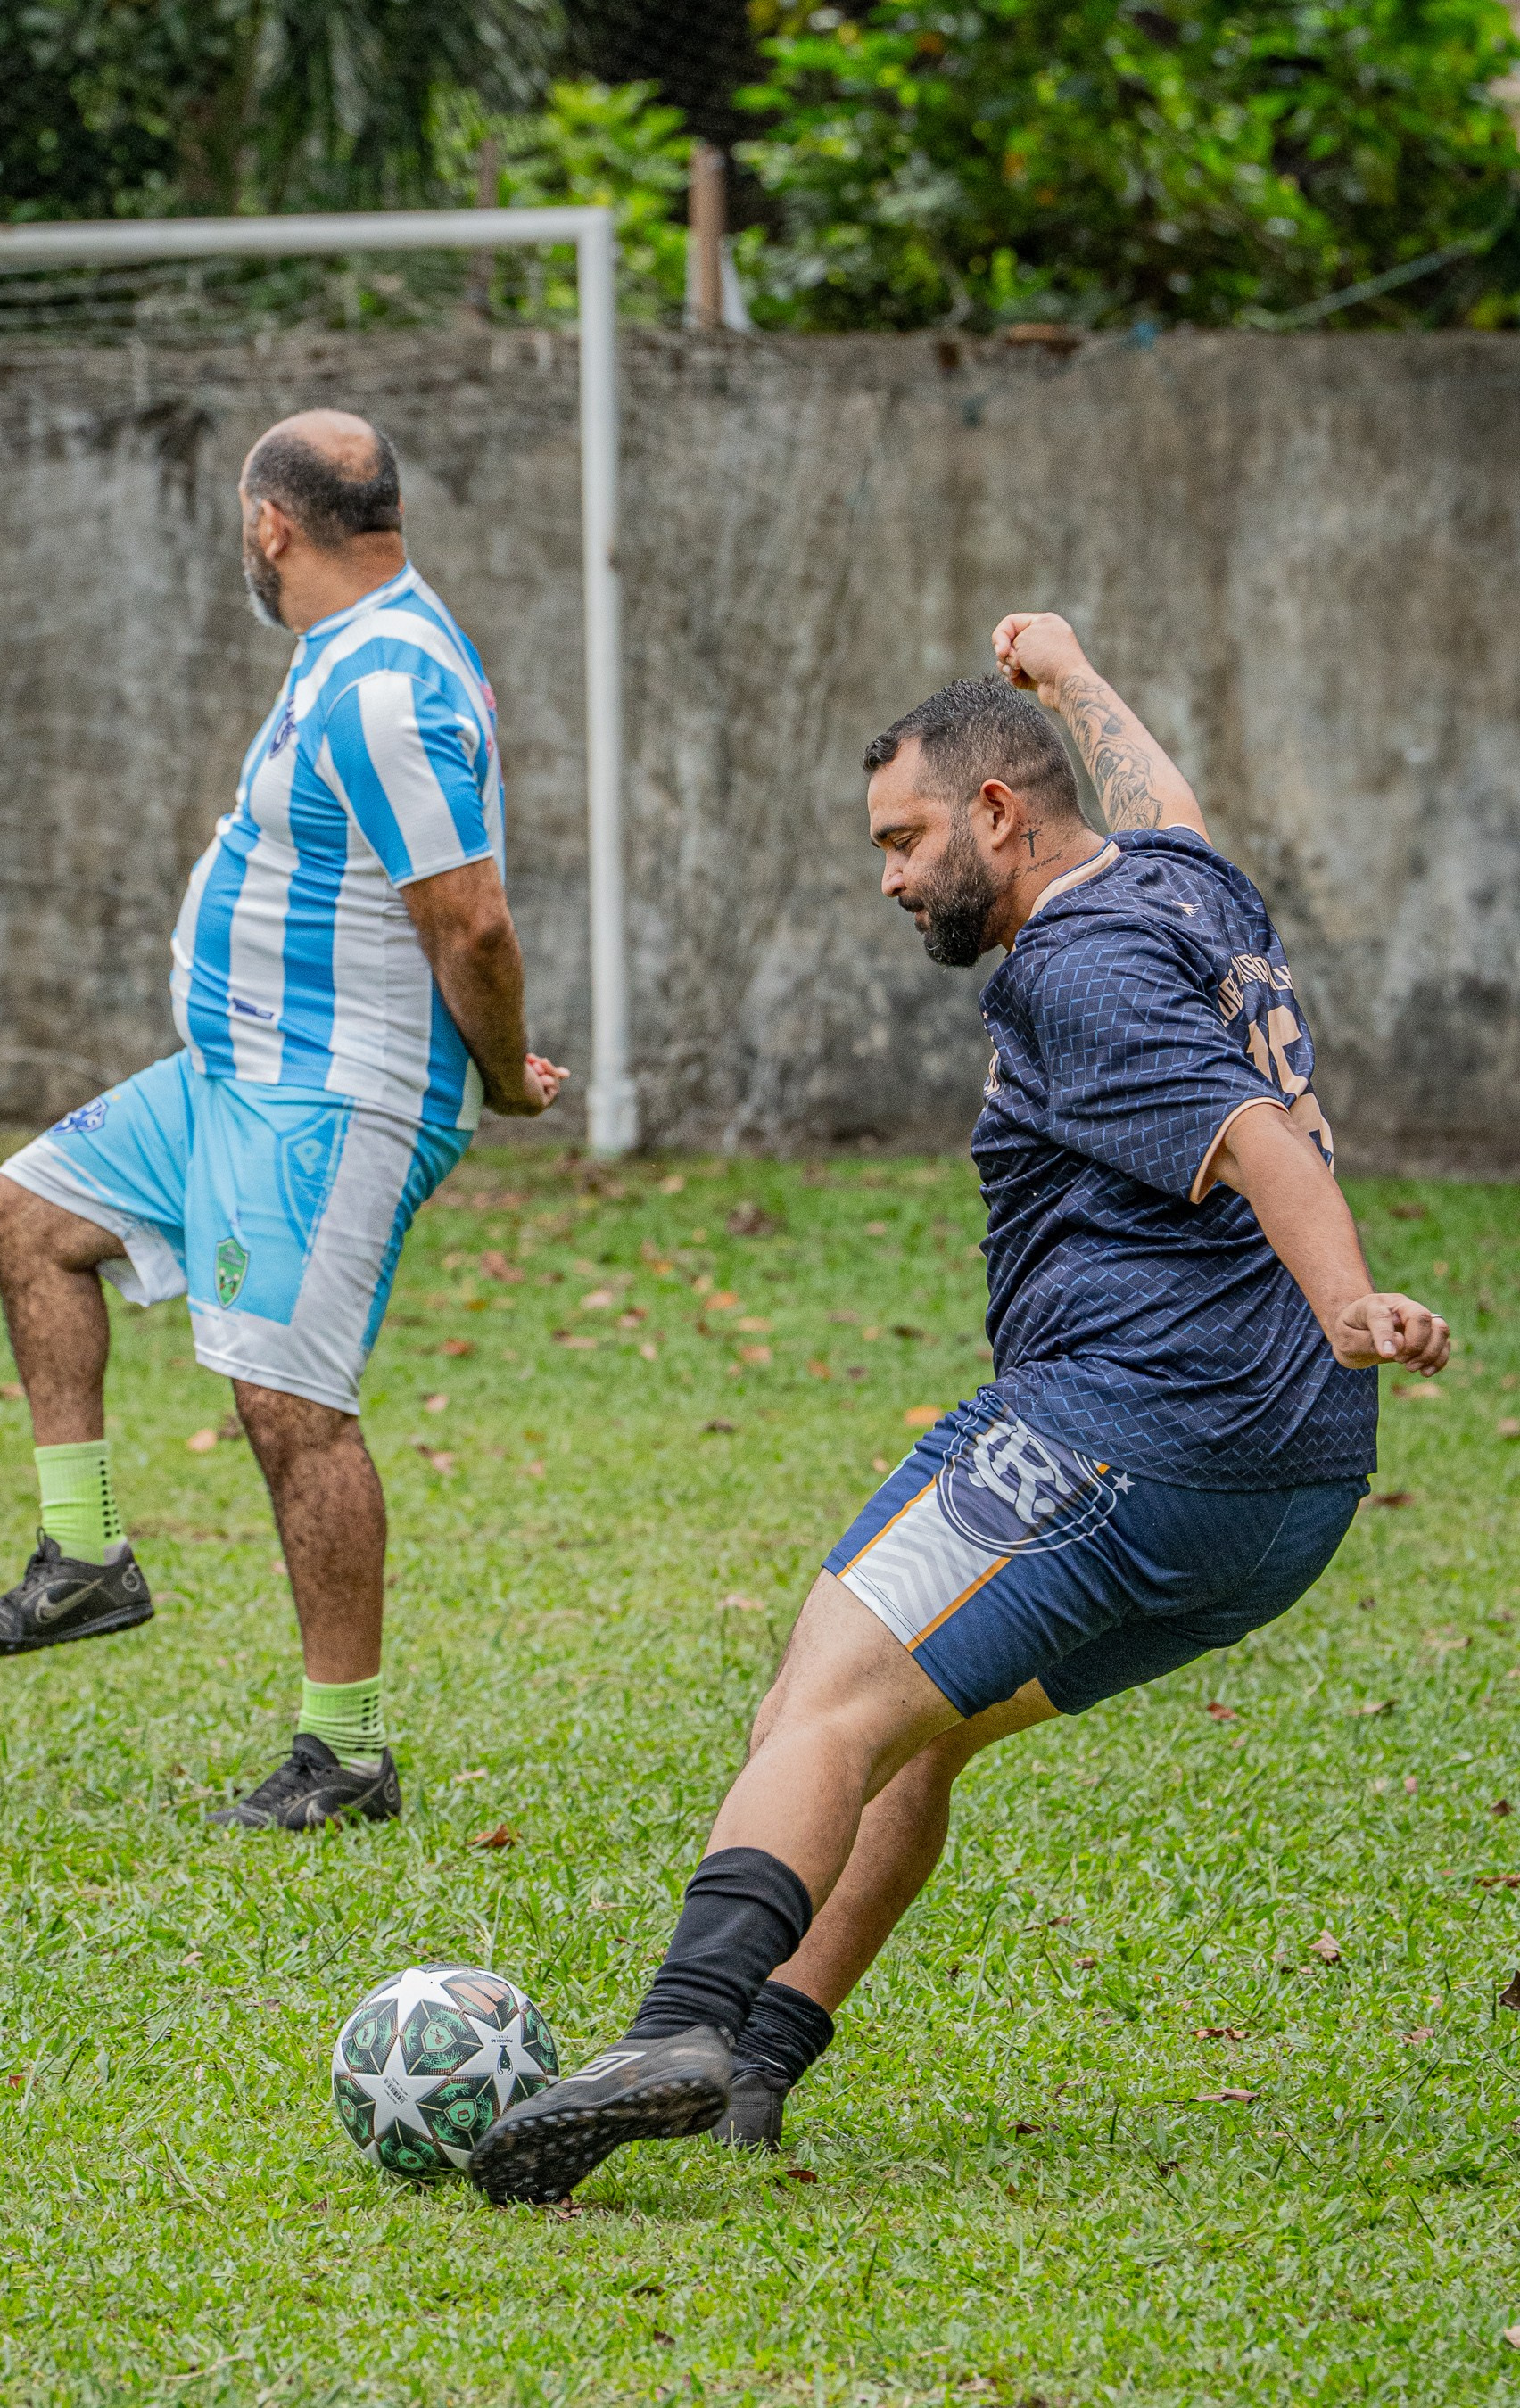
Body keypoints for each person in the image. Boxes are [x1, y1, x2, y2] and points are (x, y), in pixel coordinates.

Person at [469, 608, 1449, 2202]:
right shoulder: (1183, 886)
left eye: (907, 839)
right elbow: (1168, 801)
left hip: (1126, 1432)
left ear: (999, 813)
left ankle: (677, 2030)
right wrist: (1063, 676)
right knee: (914, 1746)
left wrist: (1349, 1306)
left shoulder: (1075, 971)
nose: (892, 880)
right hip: (1287, 1502)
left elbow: (1261, 1137)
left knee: (826, 1704)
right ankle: (761, 2070)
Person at [0, 409, 566, 1832]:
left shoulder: (390, 682)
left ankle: (343, 1755)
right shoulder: (346, 650)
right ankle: (86, 1559)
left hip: (334, 1096)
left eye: (243, 518)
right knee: (28, 1215)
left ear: (272, 522)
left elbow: (468, 916)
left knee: (292, 1407)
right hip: (231, 1071)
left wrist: (507, 1069)